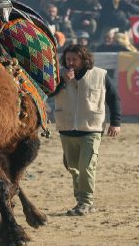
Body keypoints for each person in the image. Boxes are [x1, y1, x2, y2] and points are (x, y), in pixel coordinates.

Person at [51, 45, 121, 216]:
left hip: (91, 129)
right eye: (68, 59)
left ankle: (86, 202)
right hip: (66, 129)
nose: (71, 63)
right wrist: (62, 82)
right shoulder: (57, 75)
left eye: (74, 59)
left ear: (84, 59)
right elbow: (48, 94)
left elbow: (114, 98)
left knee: (86, 167)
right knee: (73, 168)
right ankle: (81, 200)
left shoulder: (100, 74)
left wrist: (115, 122)